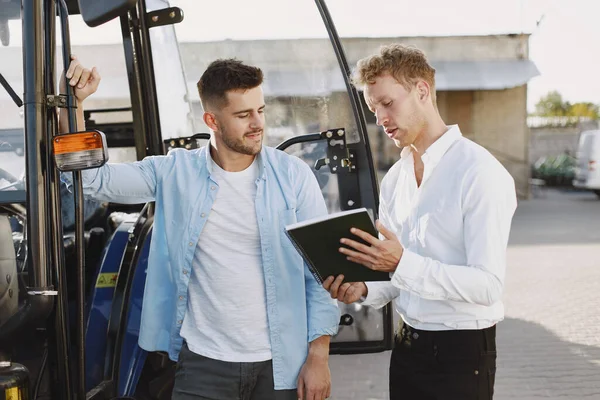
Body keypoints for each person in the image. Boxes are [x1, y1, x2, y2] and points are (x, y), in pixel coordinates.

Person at [62, 56, 338, 400]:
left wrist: (318, 357)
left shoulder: (293, 176)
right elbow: (90, 180)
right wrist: (73, 106)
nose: (257, 124)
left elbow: (321, 272)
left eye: (260, 110)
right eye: (243, 115)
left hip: (281, 364)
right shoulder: (175, 172)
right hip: (204, 364)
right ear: (211, 120)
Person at [323, 44, 517, 399]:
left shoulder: (479, 172)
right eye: (373, 108)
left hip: (462, 354)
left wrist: (400, 262)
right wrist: (365, 289)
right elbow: (400, 276)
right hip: (407, 347)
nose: (380, 118)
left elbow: (488, 286)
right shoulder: (396, 178)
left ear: (422, 91)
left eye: (387, 103)